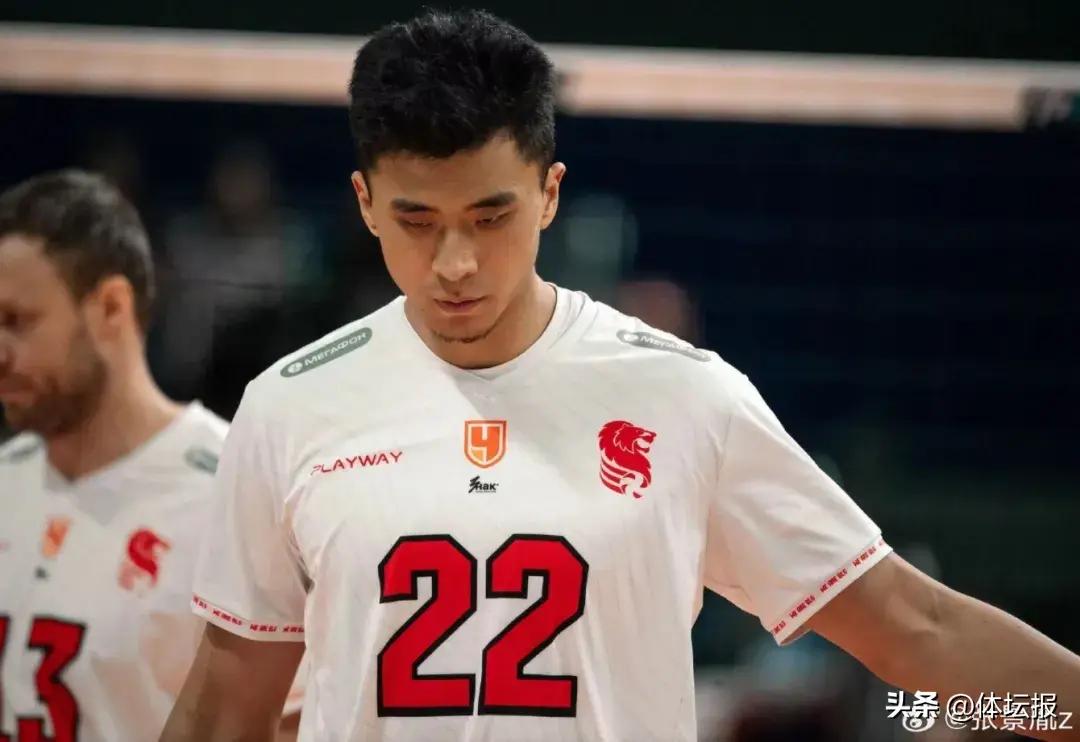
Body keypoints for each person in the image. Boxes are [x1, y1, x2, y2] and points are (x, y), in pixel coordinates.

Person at [162, 10, 1080, 742]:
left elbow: (918, 628)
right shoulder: (290, 404)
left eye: (490, 217)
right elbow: (226, 706)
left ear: (550, 193)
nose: (455, 263)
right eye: (417, 221)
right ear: (365, 204)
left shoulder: (685, 395)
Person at [0, 170, 302, 741]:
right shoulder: (6, 479)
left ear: (111, 307)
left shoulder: (232, 490)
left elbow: (288, 725)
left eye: (17, 322)